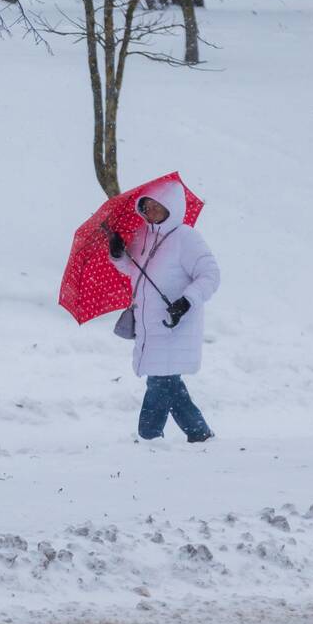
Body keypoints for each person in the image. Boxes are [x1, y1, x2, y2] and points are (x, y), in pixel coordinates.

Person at [108, 183, 220, 442]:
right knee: (168, 382)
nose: (150, 212)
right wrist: (118, 255)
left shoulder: (186, 238)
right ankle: (200, 434)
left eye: (157, 207)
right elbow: (134, 271)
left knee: (161, 381)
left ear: (172, 207)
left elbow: (210, 275)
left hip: (176, 323)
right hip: (149, 325)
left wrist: (187, 301)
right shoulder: (143, 235)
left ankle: (148, 438)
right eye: (146, 207)